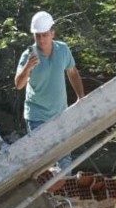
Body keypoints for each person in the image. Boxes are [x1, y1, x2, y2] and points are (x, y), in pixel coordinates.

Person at [14, 11, 85, 172]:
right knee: (43, 163)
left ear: (52, 33)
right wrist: (27, 68)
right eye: (37, 36)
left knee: (65, 161)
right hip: (36, 116)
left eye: (44, 35)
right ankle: (45, 195)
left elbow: (72, 72)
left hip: (60, 114)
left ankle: (65, 195)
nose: (41, 40)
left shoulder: (62, 50)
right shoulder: (29, 55)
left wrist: (81, 97)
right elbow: (18, 84)